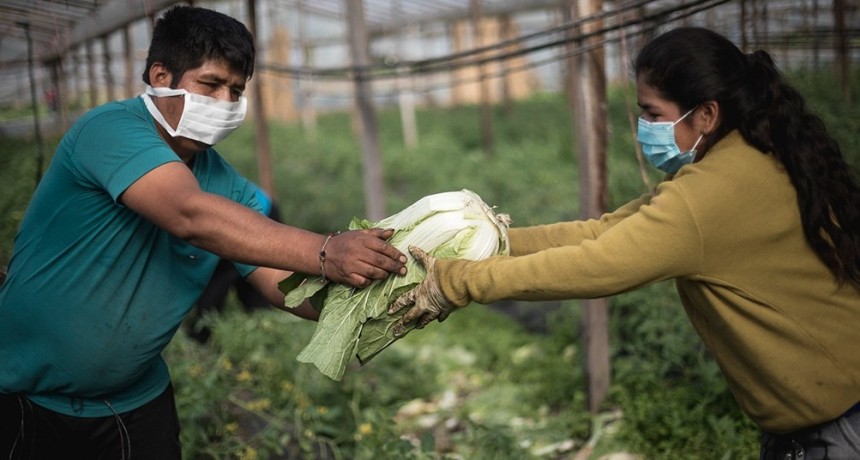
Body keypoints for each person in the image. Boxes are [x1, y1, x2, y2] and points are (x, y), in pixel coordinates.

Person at [390, 27, 860, 459]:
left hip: (839, 427)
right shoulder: (742, 163)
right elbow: (604, 230)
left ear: (707, 114)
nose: (644, 129)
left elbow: (600, 262)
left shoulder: (713, 195)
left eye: (653, 114)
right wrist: (496, 241)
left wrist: (458, 282)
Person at [0, 6, 406, 459]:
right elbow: (188, 214)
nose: (224, 103)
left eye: (235, 91)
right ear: (161, 75)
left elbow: (281, 285)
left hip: (136, 404)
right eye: (210, 84)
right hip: (26, 401)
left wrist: (391, 303)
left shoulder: (227, 184)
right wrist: (328, 250)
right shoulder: (110, 129)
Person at [185, 184, 281, 344]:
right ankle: (265, 331)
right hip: (244, 215)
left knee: (221, 278)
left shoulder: (197, 203)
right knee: (238, 278)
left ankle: (202, 337)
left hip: (262, 215)